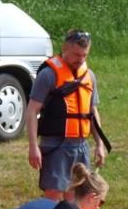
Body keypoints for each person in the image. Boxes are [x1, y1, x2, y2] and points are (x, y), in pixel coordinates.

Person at [24, 29, 106, 199]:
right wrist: (33, 147)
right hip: (56, 144)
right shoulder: (48, 75)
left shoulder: (89, 76)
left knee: (78, 196)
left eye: (85, 55)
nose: (81, 59)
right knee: (53, 195)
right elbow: (32, 111)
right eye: (77, 54)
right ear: (64, 48)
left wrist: (99, 143)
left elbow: (92, 112)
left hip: (81, 145)